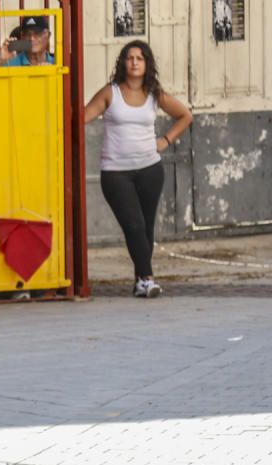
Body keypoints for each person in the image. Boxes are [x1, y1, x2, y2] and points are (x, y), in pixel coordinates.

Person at [84, 40, 192, 298]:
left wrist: (165, 141)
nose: (134, 62)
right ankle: (148, 278)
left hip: (149, 169)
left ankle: (141, 280)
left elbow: (186, 116)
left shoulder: (154, 93)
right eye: (130, 57)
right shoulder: (110, 92)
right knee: (132, 225)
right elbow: (81, 117)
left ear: (147, 64)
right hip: (116, 172)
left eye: (139, 58)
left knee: (145, 227)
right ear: (122, 62)